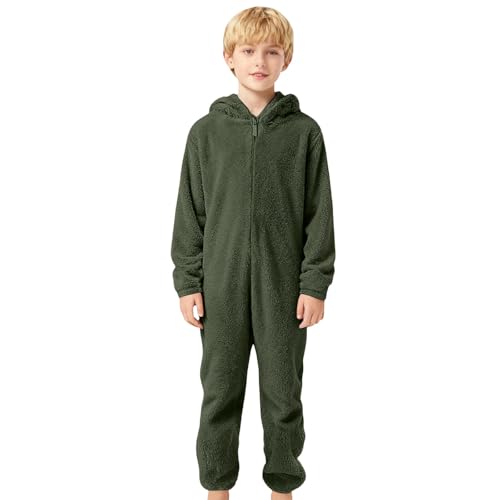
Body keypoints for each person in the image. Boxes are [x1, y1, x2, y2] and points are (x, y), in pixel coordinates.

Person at [170, 6, 335, 500]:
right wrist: (188, 281)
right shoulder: (205, 133)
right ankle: (216, 489)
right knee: (219, 392)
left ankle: (282, 490)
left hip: (284, 289)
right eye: (248, 51)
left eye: (271, 51)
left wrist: (314, 284)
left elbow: (319, 215)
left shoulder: (304, 133)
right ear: (229, 57)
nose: (259, 61)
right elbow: (190, 213)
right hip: (220, 287)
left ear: (287, 59)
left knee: (283, 395)